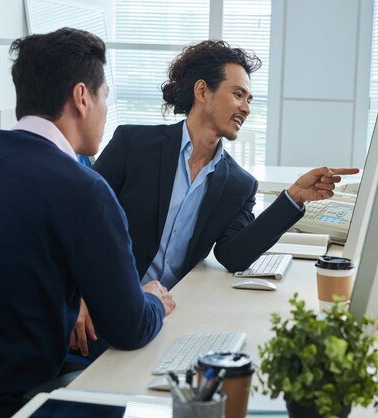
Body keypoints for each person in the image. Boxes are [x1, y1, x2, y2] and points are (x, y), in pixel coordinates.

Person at [0, 27, 175, 418]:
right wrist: (154, 301)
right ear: (81, 97)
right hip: (17, 403)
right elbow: (130, 327)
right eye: (105, 96)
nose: (107, 109)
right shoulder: (84, 188)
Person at [76, 40, 357, 356]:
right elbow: (80, 222)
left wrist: (293, 197)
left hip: (161, 316)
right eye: (238, 94)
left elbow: (232, 256)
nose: (246, 108)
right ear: (202, 92)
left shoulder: (238, 183)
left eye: (249, 99)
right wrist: (77, 296)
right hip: (100, 311)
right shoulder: (133, 144)